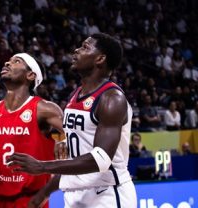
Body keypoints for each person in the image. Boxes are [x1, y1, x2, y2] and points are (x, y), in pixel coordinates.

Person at [8, 34, 137, 208]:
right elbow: (74, 159)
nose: (76, 50)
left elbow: (101, 160)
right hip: (74, 194)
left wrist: (42, 166)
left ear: (100, 59)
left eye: (85, 47)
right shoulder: (75, 95)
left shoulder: (112, 98)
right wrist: (43, 194)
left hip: (108, 193)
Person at [0, 53, 66, 208]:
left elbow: (78, 135)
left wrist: (65, 140)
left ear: (30, 75)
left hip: (31, 201)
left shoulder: (44, 109)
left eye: (16, 61)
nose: (7, 63)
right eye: (8, 61)